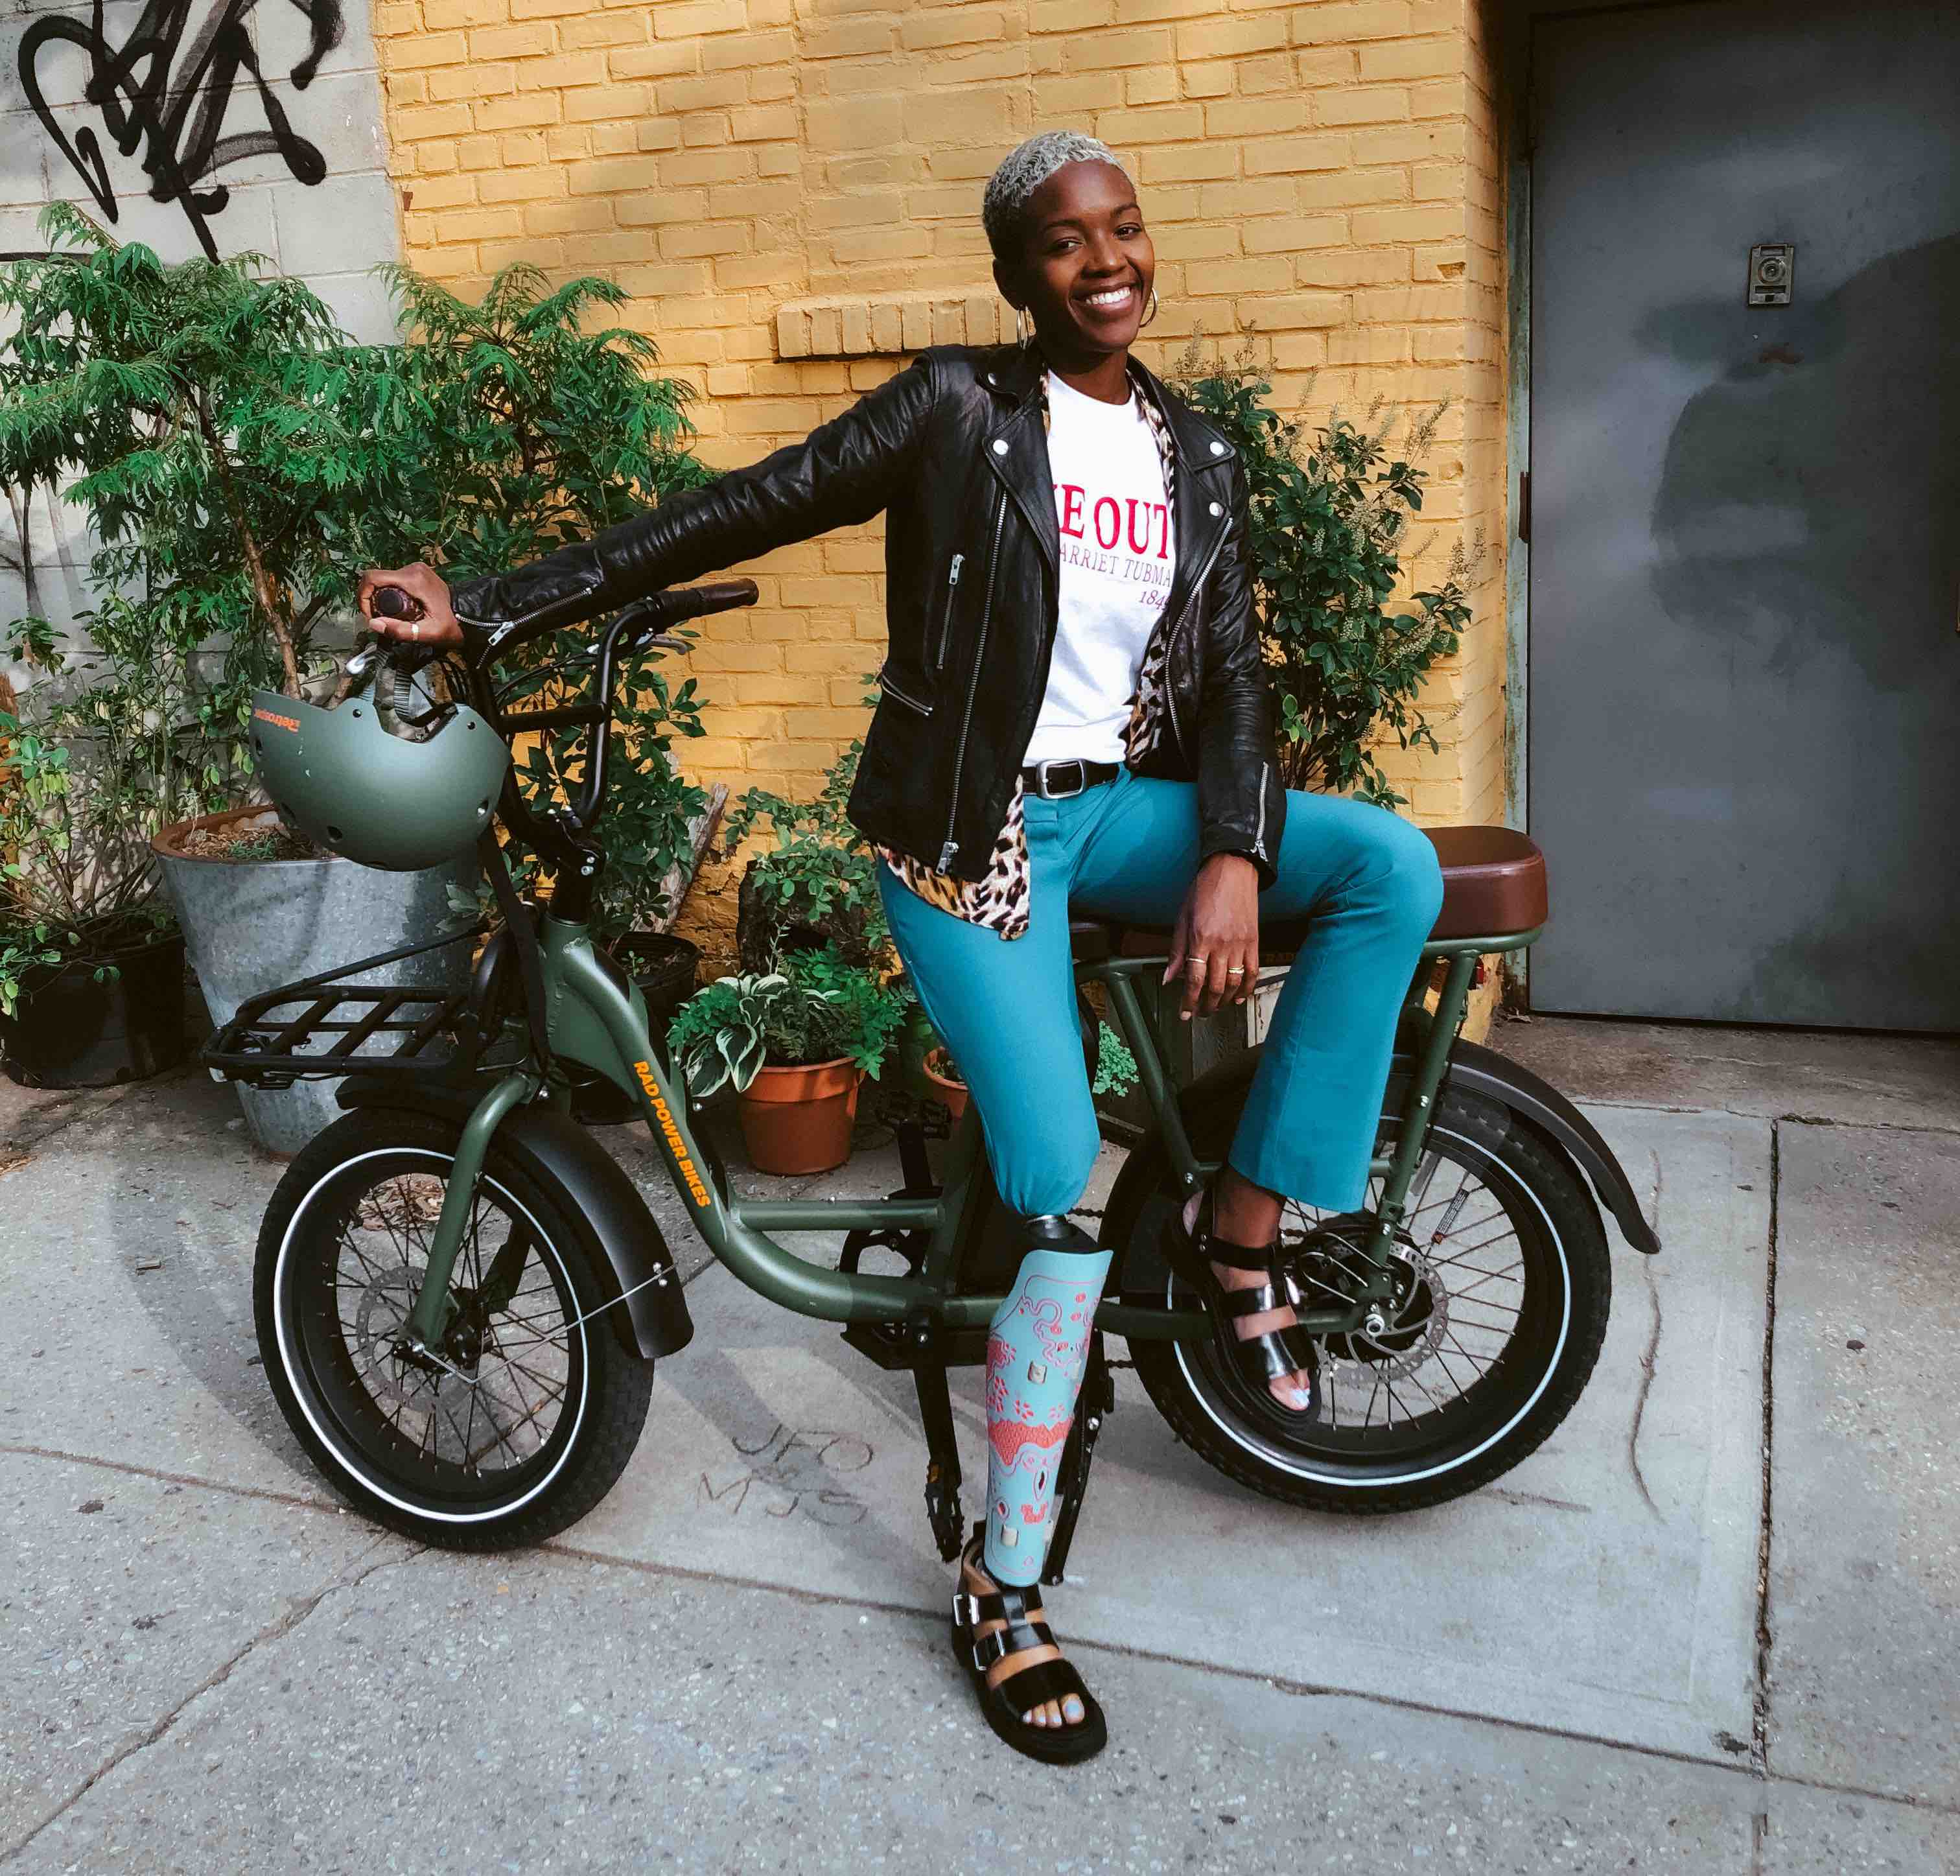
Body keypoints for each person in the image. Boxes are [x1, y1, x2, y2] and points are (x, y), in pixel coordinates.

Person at [358, 128, 1443, 1765]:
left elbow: (1234, 675)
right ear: (1020, 276)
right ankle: (1004, 1587)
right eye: (1067, 243)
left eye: (1126, 230)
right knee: (1058, 1178)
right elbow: (747, 506)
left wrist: (1231, 847)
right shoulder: (957, 410)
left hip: (1125, 811)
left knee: (1384, 865)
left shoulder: (1195, 454)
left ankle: (1240, 1235)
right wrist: (496, 605)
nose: (1108, 261)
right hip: (971, 833)